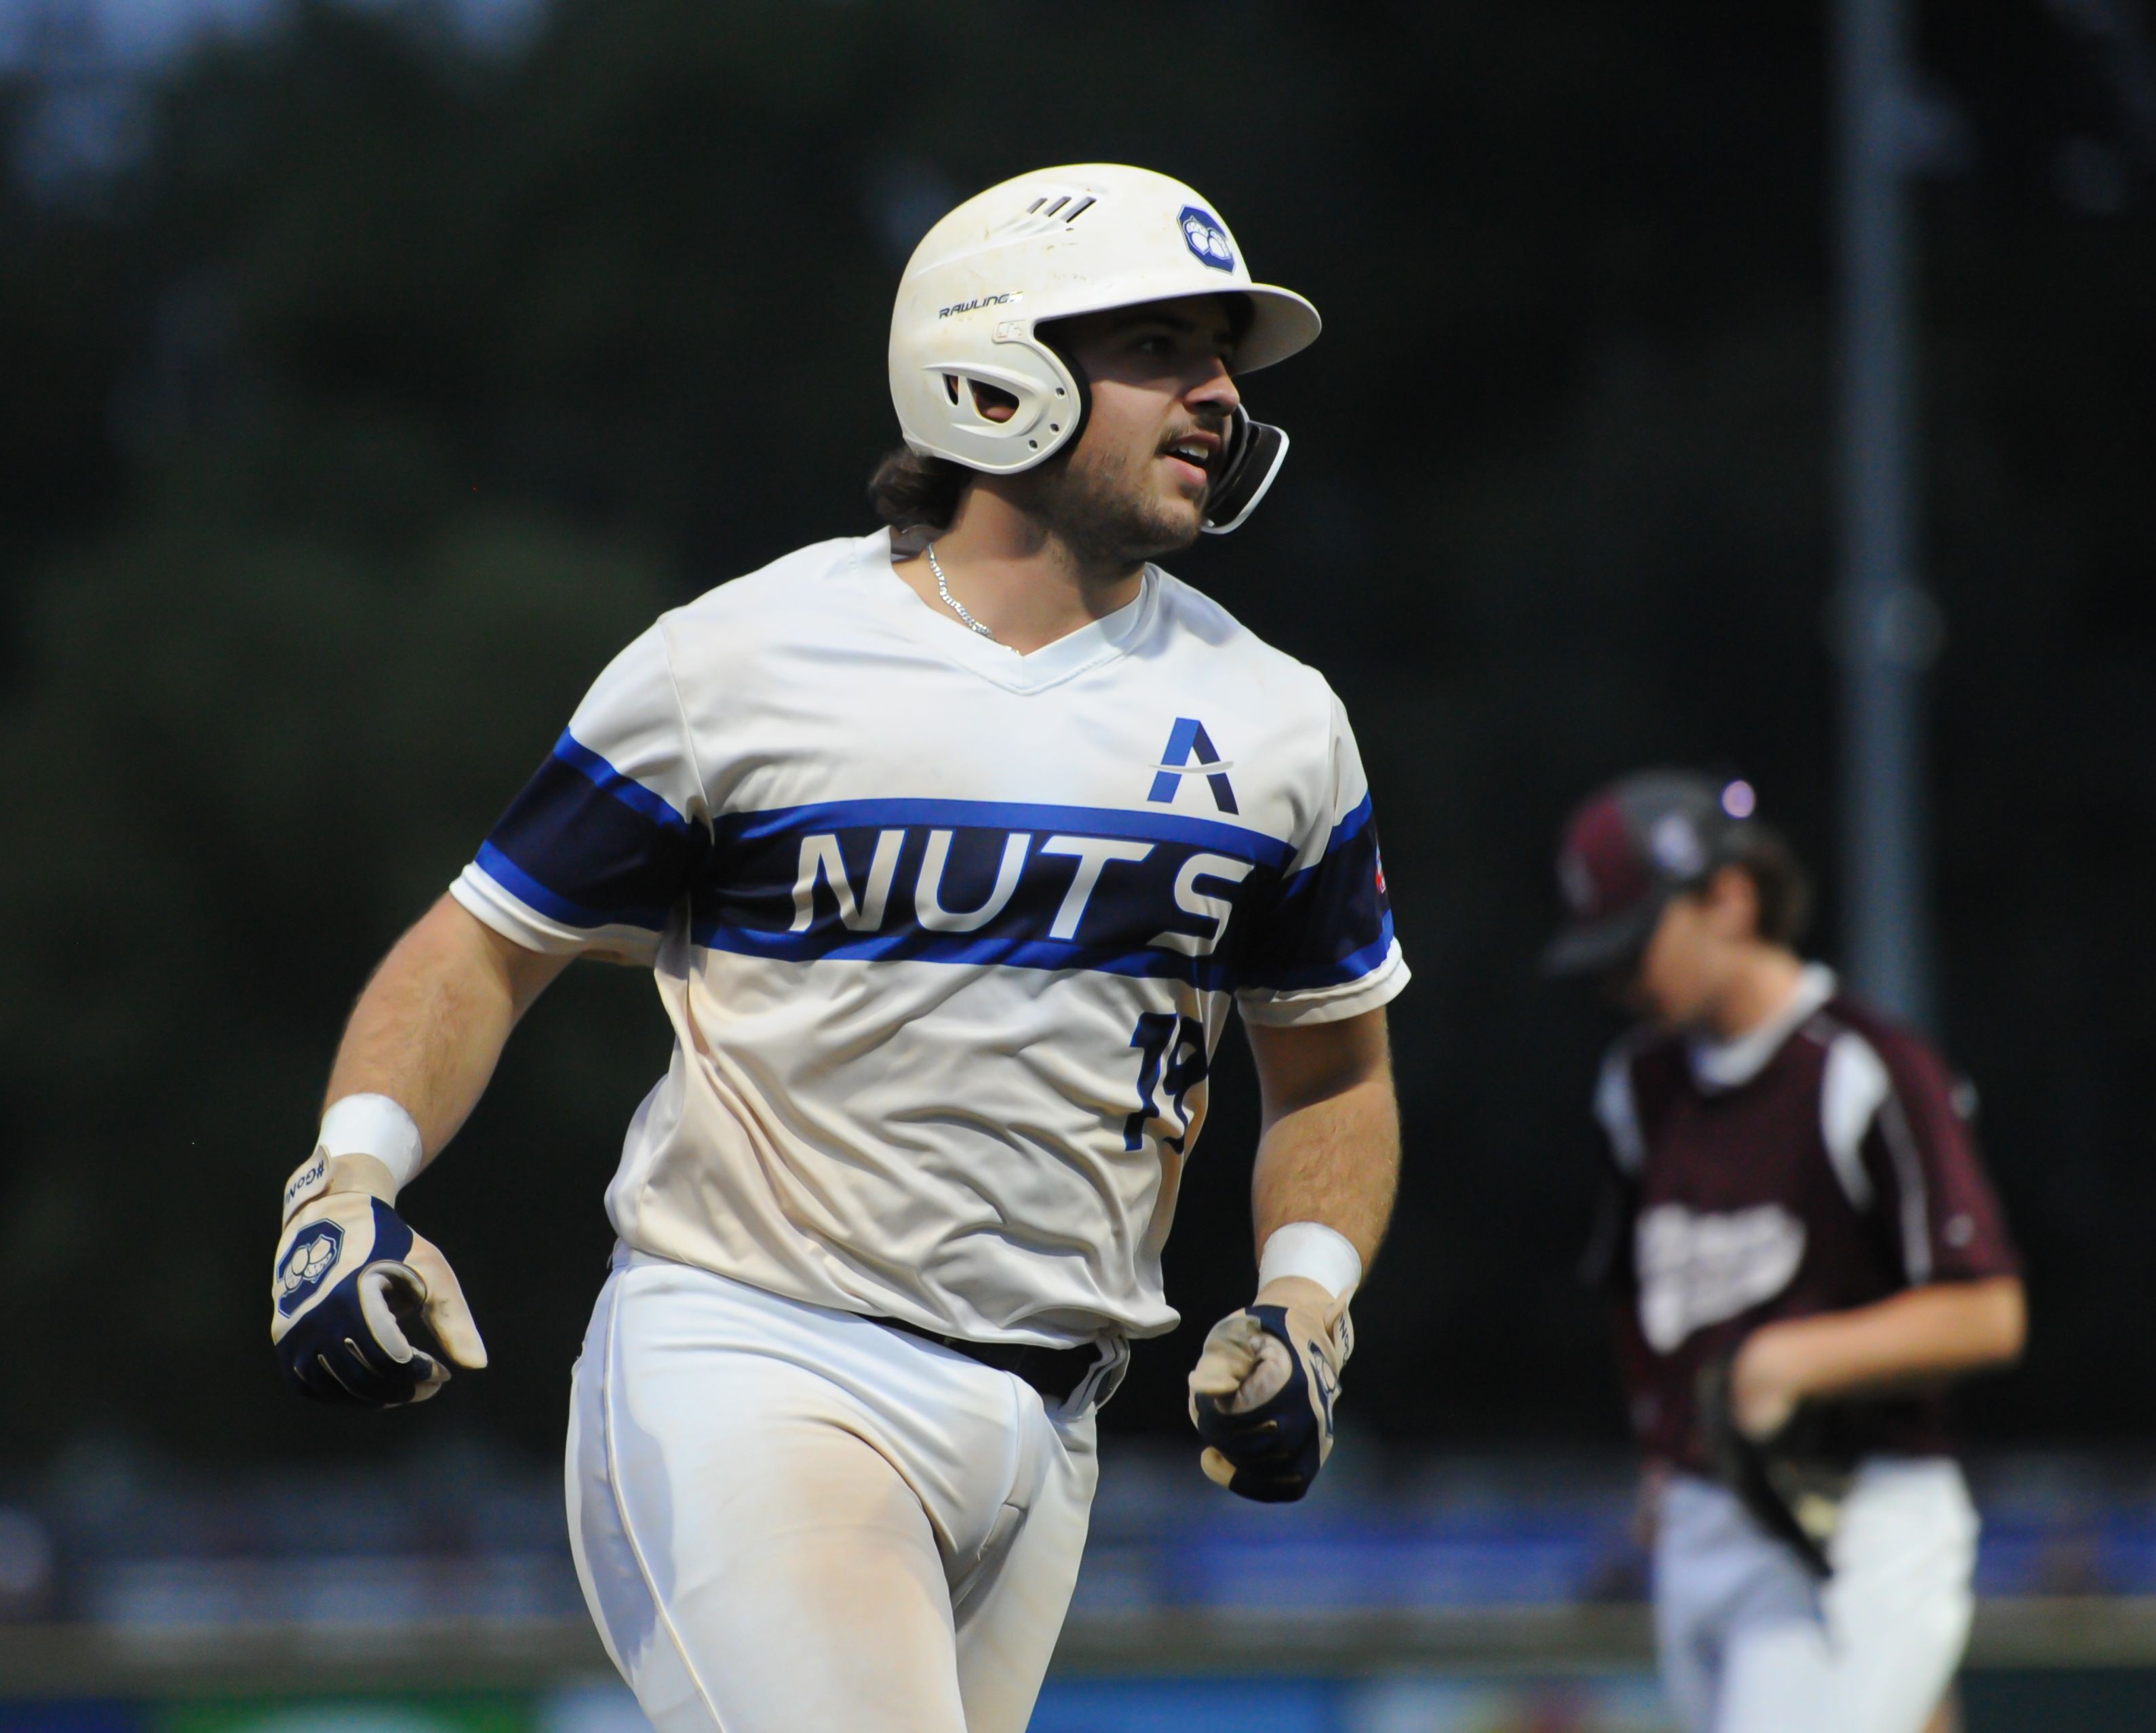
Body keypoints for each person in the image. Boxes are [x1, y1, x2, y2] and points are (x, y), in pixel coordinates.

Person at [264, 165, 1407, 1733]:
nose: (1218, 393)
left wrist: (1307, 1305)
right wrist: (348, 1180)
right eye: (1161, 344)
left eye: (1222, 355)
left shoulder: (1285, 721)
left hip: (1055, 1424)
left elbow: (1334, 1071)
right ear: (992, 362)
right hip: (755, 1353)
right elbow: (483, 944)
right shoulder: (735, 660)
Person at [1544, 770, 2023, 1733]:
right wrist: (1658, 1447)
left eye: (1636, 944)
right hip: (1704, 1519)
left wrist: (1796, 1359)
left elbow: (1987, 1310)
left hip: (1854, 1509)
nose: (1622, 982)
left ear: (1729, 898)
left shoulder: (1861, 1065)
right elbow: (1634, 1291)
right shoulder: (1636, 1085)